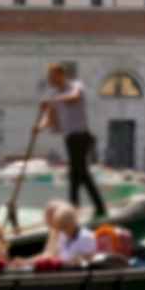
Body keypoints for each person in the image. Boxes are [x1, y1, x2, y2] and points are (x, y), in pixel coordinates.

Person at [37, 63, 109, 220]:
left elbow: (74, 98)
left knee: (79, 172)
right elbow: (49, 118)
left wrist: (52, 101)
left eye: (52, 76)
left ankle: (92, 208)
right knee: (76, 174)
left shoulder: (75, 86)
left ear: (60, 75)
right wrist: (39, 127)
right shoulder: (54, 94)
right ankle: (77, 208)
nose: (50, 80)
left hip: (82, 136)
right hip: (70, 138)